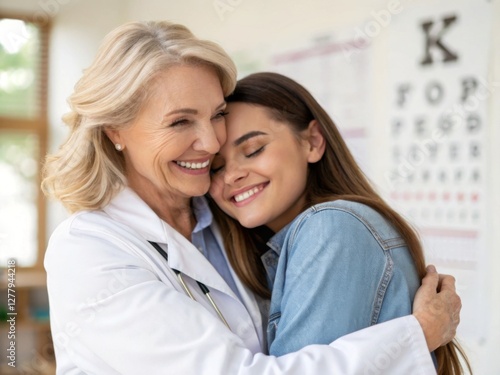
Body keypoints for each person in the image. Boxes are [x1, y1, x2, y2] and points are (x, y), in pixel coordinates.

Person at [42, 20, 461, 375]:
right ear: (115, 129)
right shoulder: (89, 250)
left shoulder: (233, 224)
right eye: (180, 122)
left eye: (216, 115)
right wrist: (417, 334)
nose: (209, 142)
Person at [208, 72, 472, 374]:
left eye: (253, 150)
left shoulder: (330, 227)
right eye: (216, 167)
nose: (231, 175)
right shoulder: (293, 244)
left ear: (313, 141)